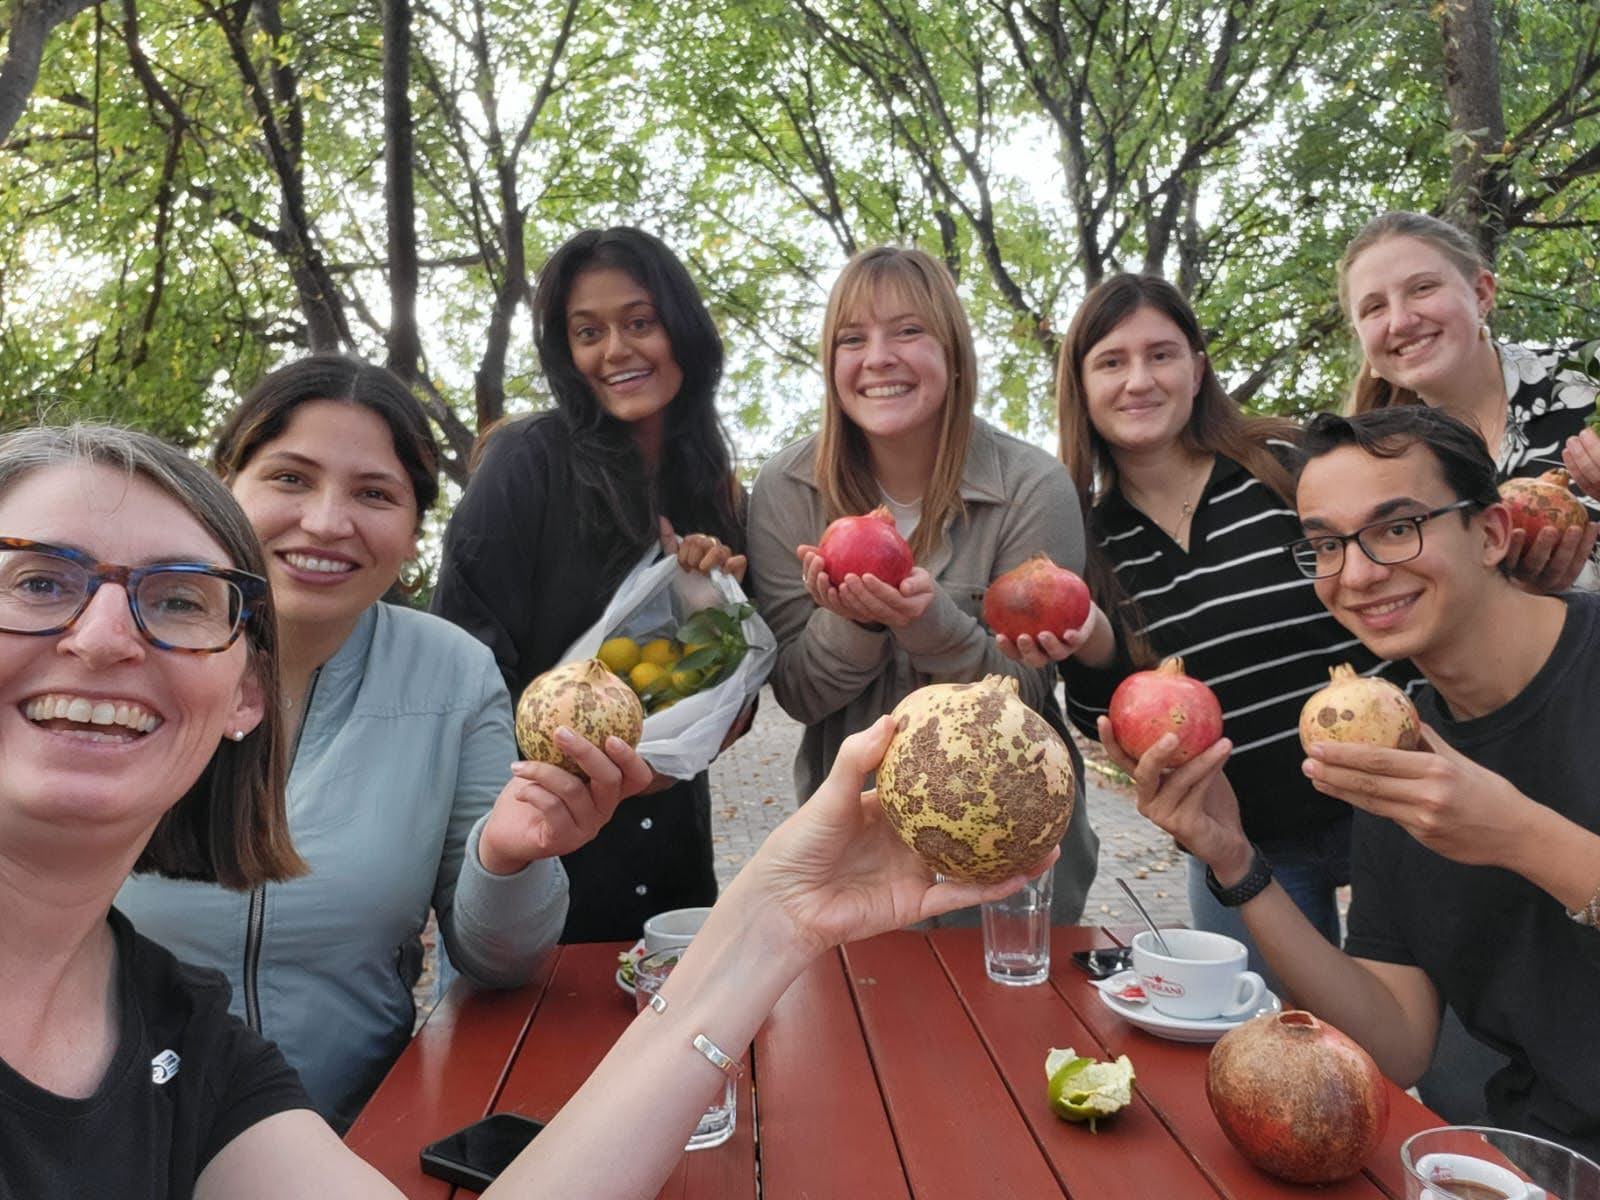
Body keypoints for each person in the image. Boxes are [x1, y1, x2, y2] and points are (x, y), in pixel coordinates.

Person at [0, 423, 1041, 1198]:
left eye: (178, 599)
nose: (103, 637)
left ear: (243, 695)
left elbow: (496, 953)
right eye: (37, 581)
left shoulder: (187, 1041)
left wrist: (778, 917)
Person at [117, 357, 645, 1130]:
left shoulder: (452, 672)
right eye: (290, 478)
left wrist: (508, 860)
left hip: (358, 1138)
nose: (329, 522)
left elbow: (498, 963)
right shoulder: (120, 655)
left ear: (413, 529)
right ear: (223, 489)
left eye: (374, 493)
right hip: (116, 1145)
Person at [1111, 405, 1600, 1157]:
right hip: (1540, 1155)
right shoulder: (1396, 744)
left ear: (1492, 533)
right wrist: (1235, 861)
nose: (1359, 574)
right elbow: (1396, 1043)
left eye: (1397, 527)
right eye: (1327, 546)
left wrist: (1518, 835)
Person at [1003, 273, 1419, 980]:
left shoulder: (1286, 467)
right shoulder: (1086, 539)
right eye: (1111, 361)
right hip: (1247, 844)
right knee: (1283, 1043)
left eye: (1161, 354)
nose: (1139, 380)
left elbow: (1395, 585)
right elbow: (1117, 721)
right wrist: (1093, 643)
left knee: (1441, 1047)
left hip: (1397, 804)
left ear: (1197, 370)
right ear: (1080, 386)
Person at [746, 245, 1098, 922]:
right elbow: (799, 694)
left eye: (908, 331)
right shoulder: (783, 491)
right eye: (853, 338)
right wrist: (860, 620)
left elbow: (1026, 690)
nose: (877, 357)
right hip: (853, 850)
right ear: (831, 363)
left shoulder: (1033, 487)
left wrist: (930, 621)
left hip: (1010, 851)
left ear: (954, 353)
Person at [432, 227, 748, 944]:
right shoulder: (524, 464)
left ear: (684, 330)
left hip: (672, 873)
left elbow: (730, 704)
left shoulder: (715, 493)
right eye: (588, 331)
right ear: (565, 353)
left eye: (640, 322)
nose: (615, 351)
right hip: (539, 867)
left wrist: (714, 610)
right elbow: (464, 672)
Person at [1339, 210, 1600, 589]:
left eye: (1422, 288)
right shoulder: (1379, 471)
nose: (1400, 321)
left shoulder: (1589, 377)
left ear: (1481, 294)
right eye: (1374, 307)